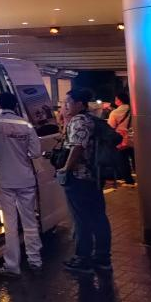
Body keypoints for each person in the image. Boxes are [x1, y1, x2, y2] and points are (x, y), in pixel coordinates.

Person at [0, 92, 42, 277]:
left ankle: (13, 265)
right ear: (15, 105)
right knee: (30, 221)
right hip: (25, 178)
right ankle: (35, 260)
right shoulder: (26, 124)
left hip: (4, 179)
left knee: (10, 223)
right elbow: (36, 152)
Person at [60, 88, 113, 274]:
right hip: (93, 176)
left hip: (80, 177)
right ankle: (102, 258)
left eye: (68, 102)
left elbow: (77, 148)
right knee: (98, 217)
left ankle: (83, 259)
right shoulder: (92, 119)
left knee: (81, 219)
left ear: (79, 104)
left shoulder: (79, 121)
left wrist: (66, 169)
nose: (65, 106)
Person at [108, 90, 135, 185]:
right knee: (136, 159)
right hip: (135, 139)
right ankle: (143, 177)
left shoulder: (115, 113)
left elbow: (111, 127)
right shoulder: (134, 110)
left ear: (119, 100)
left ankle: (129, 180)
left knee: (123, 161)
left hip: (121, 140)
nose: (115, 101)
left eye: (116, 99)